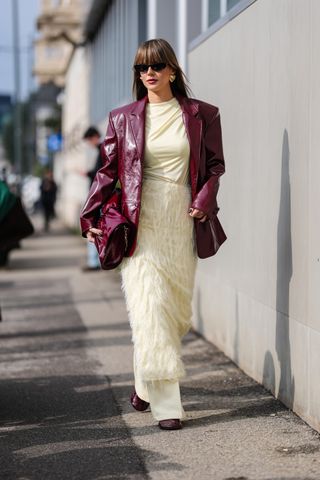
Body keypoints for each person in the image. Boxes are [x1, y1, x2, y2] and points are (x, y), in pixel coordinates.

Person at [80, 38, 226, 430]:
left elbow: (214, 166)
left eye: (156, 66)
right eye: (142, 68)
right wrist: (90, 212)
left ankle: (145, 384)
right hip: (139, 222)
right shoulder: (122, 118)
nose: (148, 73)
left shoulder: (202, 114)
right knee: (149, 308)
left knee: (175, 314)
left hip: (180, 220)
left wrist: (205, 199)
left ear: (172, 71)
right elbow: (108, 171)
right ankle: (168, 406)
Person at [82, 126, 104, 271]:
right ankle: (95, 261)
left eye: (89, 141)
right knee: (94, 226)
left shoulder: (103, 149)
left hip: (99, 196)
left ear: (94, 137)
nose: (89, 144)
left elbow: (101, 174)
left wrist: (89, 174)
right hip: (98, 195)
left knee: (92, 226)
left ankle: (94, 262)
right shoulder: (102, 150)